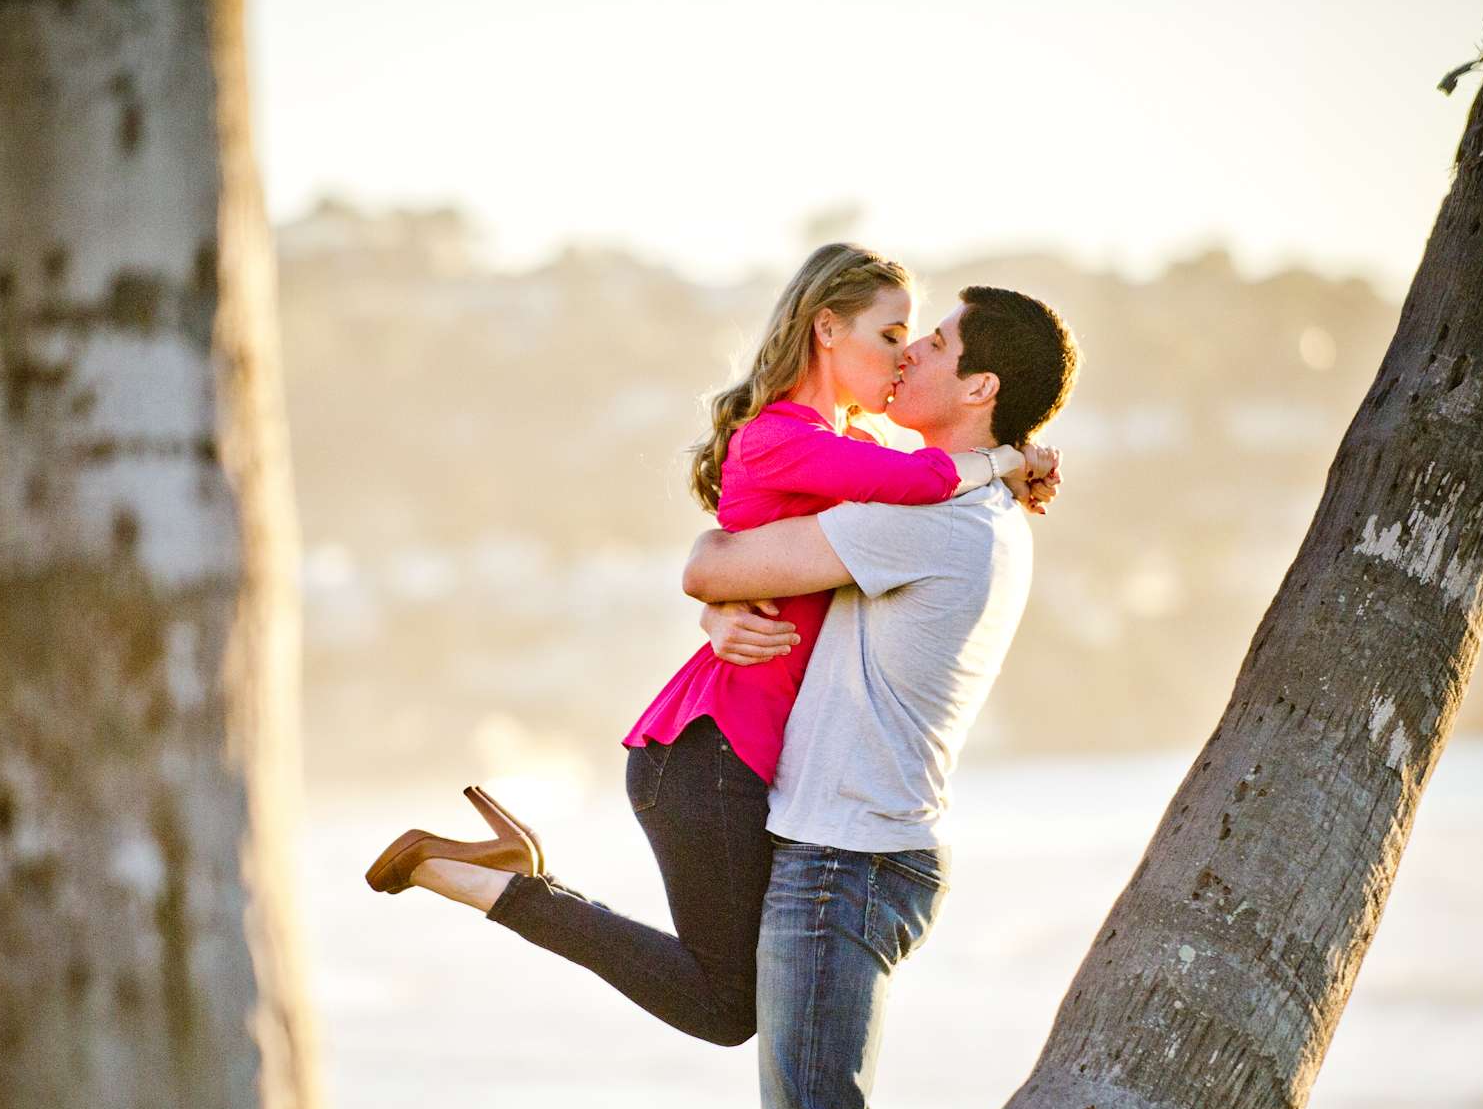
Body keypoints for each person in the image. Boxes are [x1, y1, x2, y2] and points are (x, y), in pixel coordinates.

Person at [363, 245, 1054, 1049]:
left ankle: (510, 875)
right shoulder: (791, 438)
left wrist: (718, 602)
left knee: (737, 1000)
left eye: (918, 338)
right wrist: (1007, 459)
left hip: (728, 750)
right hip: (708, 755)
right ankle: (497, 885)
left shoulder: (842, 448)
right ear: (827, 329)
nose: (905, 355)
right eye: (893, 333)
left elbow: (806, 536)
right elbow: (923, 486)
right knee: (730, 1008)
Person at [677, 286, 1080, 1109]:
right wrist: (729, 624)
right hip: (850, 846)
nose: (910, 354)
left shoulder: (938, 520)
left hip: (848, 859)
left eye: (934, 341)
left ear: (981, 386)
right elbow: (743, 584)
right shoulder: (955, 505)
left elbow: (712, 562)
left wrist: (721, 601)